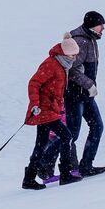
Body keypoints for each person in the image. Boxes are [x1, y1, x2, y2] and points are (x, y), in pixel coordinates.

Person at [40, 11, 105, 177]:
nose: (103, 28)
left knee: (97, 126)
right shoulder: (80, 41)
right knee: (72, 133)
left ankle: (86, 165)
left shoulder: (90, 40)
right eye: (101, 25)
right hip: (74, 94)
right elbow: (72, 70)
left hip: (86, 95)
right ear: (92, 25)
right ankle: (44, 162)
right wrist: (89, 84)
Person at [22, 33, 84, 190]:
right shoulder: (51, 64)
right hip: (44, 110)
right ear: (64, 52)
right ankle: (65, 174)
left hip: (50, 109)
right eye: (72, 54)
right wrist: (35, 103)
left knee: (41, 144)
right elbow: (34, 83)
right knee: (67, 136)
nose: (74, 58)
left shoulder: (62, 65)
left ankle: (29, 178)